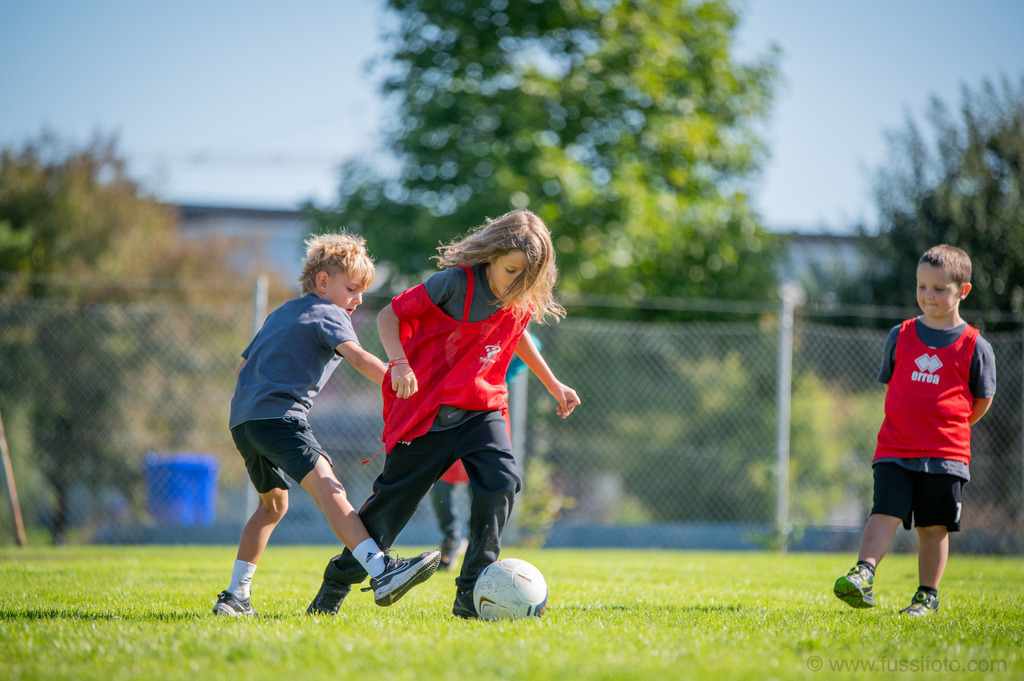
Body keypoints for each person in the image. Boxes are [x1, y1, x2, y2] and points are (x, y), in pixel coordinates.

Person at [307, 208, 580, 618]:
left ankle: (471, 591)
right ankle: (335, 586)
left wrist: (553, 383)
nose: (516, 283)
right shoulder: (453, 283)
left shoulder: (519, 294)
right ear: (492, 255)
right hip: (426, 412)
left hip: (482, 409)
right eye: (510, 271)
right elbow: (389, 316)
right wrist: (400, 363)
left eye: (526, 277)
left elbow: (516, 330)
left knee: (501, 482)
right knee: (386, 516)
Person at [214, 232, 440, 617]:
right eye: (352, 289)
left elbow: (242, 370)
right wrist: (399, 380)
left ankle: (236, 596)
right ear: (323, 282)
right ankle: (381, 569)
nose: (358, 300)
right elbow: (358, 357)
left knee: (272, 505)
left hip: (244, 422)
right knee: (329, 489)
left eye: (362, 292)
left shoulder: (281, 313)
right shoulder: (329, 312)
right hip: (281, 419)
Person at [833, 244, 996, 616]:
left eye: (939, 288)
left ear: (963, 291)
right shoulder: (900, 335)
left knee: (933, 527)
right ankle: (863, 574)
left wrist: (951, 425)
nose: (928, 295)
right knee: (883, 512)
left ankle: (926, 597)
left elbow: (982, 400)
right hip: (895, 448)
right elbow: (893, 388)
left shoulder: (976, 346)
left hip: (946, 455)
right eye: (922, 286)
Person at [428, 335, 537, 572]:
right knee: (439, 483)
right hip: (453, 409)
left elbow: (532, 343)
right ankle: (451, 539)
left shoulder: (502, 326)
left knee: (481, 485)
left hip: (486, 411)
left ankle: (477, 550)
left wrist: (502, 374)